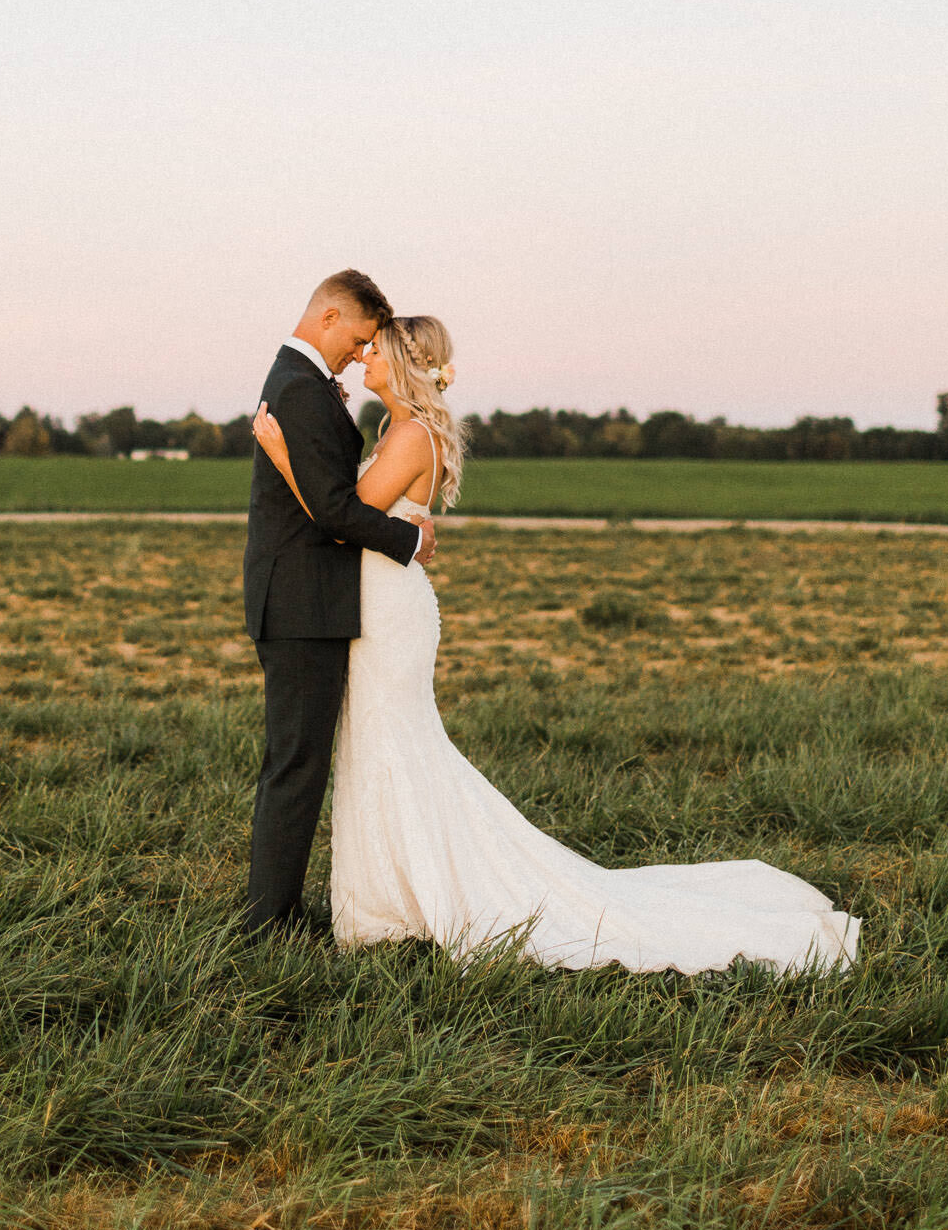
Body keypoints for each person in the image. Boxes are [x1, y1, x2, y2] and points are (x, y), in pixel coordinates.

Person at [252, 313, 860, 976]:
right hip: (378, 601)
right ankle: (388, 902)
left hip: (388, 608)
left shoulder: (409, 434)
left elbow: (342, 520)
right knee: (379, 747)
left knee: (398, 747)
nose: (363, 360)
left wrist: (281, 453)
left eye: (374, 352)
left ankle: (419, 900)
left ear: (401, 364)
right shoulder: (398, 430)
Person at [242, 269, 437, 937]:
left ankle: (283, 909)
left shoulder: (298, 386)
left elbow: (329, 502)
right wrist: (408, 538)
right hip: (301, 602)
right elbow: (331, 511)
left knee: (299, 760)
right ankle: (268, 921)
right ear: (328, 318)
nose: (361, 354)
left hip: (312, 600)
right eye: (358, 338)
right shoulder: (298, 391)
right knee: (297, 764)